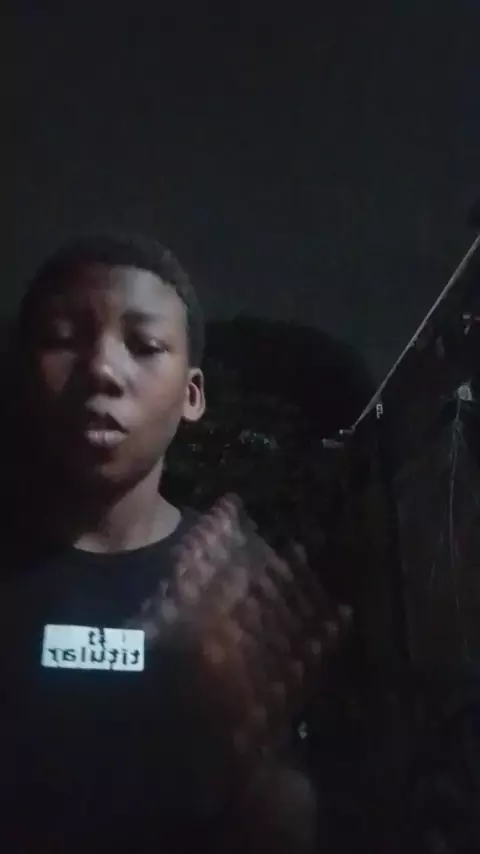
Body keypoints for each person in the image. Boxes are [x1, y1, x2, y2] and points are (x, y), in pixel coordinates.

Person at [1, 233, 329, 853]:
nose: (102, 369)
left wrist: (250, 747)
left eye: (144, 346)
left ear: (192, 394)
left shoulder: (239, 577)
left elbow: (289, 819)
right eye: (64, 339)